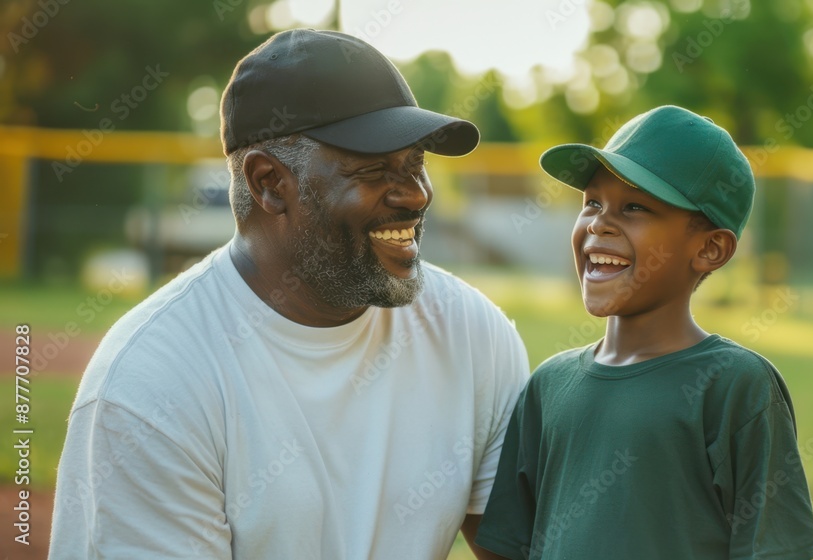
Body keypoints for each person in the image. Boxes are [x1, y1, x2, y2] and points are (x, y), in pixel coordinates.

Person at [49, 29, 528, 560]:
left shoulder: (471, 333)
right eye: (373, 170)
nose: (415, 195)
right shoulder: (150, 386)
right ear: (269, 183)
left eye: (416, 163)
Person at [475, 106, 813, 559]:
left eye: (635, 207)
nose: (599, 223)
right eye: (592, 203)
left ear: (710, 248)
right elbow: (508, 547)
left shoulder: (734, 385)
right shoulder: (548, 385)